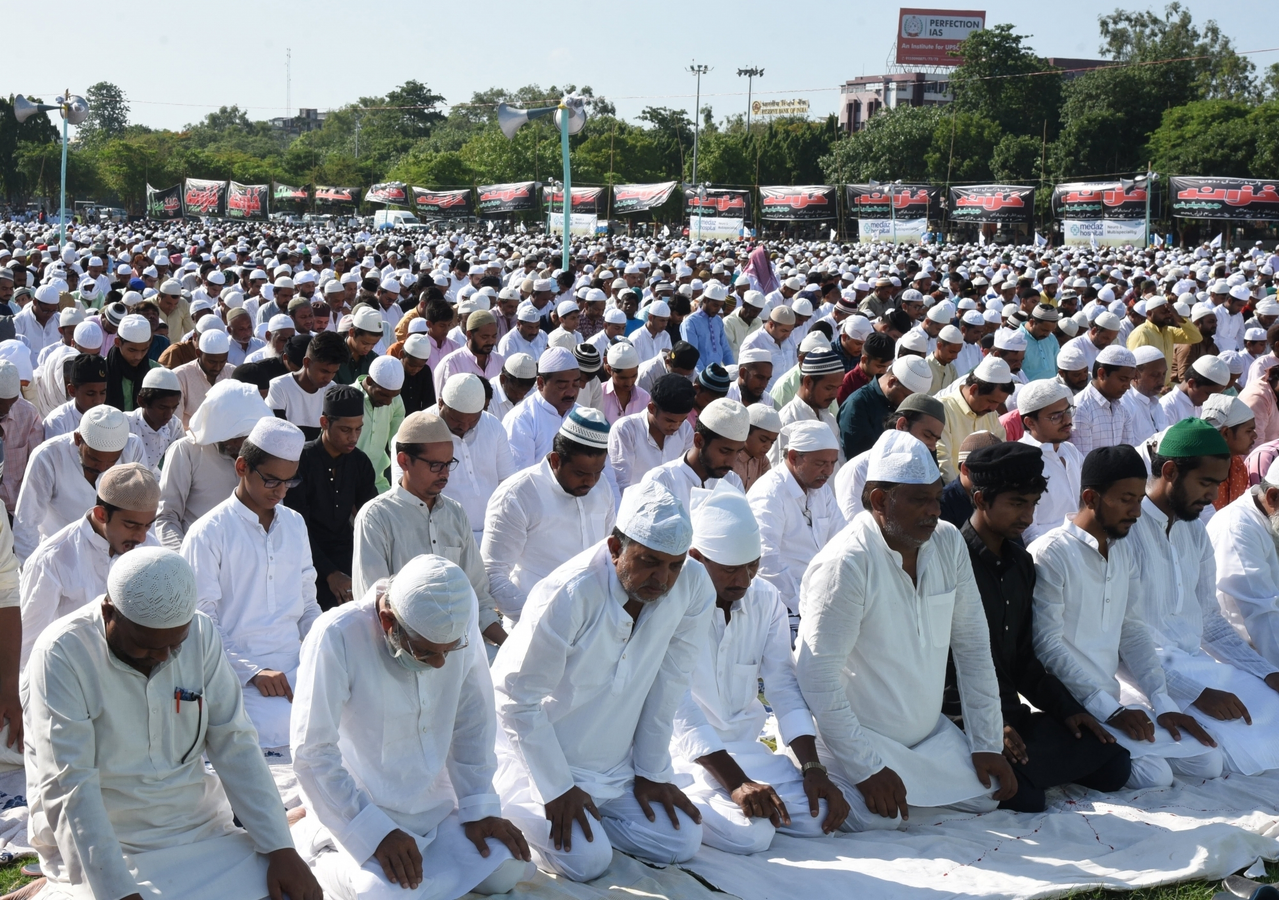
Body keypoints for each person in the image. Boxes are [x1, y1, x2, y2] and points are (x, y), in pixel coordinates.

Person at [21, 547, 322, 900]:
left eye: (174, 645)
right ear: (108, 611)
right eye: (147, 646)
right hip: (107, 836)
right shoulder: (62, 653)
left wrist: (281, 848)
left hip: (196, 827)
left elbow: (235, 743)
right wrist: (117, 892)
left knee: (285, 889)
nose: (164, 657)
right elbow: (70, 785)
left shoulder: (200, 633)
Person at [491, 479, 712, 882]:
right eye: (648, 561)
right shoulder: (570, 593)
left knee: (683, 840)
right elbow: (514, 699)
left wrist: (650, 772)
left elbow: (670, 684)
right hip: (541, 765)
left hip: (616, 770)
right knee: (589, 862)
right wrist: (557, 788)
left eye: (673, 565)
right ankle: (515, 806)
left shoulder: (693, 585)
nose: (662, 579)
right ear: (615, 549)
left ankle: (593, 823)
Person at [795, 430, 1016, 831]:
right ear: (880, 500)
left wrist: (986, 743)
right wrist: (866, 769)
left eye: (936, 497)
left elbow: (972, 648)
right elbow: (817, 677)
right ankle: (856, 783)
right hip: (859, 739)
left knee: (987, 797)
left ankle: (908, 794)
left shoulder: (948, 542)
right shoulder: (846, 562)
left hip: (928, 738)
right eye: (920, 500)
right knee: (877, 819)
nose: (934, 510)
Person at [290, 557, 534, 900]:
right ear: (389, 620)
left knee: (505, 869)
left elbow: (472, 722)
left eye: (448, 652)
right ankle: (313, 848)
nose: (439, 664)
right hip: (357, 811)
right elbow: (312, 753)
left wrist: (479, 809)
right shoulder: (337, 635)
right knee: (386, 895)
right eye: (425, 652)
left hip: (432, 811)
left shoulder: (456, 626)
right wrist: (374, 833)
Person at [1029, 444, 1224, 788]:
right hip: (1068, 705)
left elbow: (1132, 631)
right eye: (1125, 500)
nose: (1136, 512)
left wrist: (1162, 702)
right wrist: (1110, 709)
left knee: (1207, 760)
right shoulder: (1050, 553)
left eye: (1138, 499)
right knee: (1155, 775)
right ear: (1091, 498)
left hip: (1111, 699)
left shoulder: (1121, 552)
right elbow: (1047, 646)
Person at [951, 443, 1132, 812]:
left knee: (1113, 763)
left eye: (1033, 503)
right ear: (982, 499)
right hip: (962, 719)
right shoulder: (950, 560)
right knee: (1027, 797)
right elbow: (938, 663)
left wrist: (1068, 709)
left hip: (1012, 717)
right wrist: (988, 726)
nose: (1028, 516)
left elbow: (1022, 657)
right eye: (1017, 503)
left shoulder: (1020, 562)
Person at [672, 484, 850, 853]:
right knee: (751, 835)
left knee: (821, 819)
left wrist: (812, 768)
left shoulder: (765, 598)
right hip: (683, 756)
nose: (743, 579)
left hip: (745, 750)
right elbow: (676, 704)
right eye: (730, 570)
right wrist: (736, 783)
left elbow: (782, 685)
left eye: (752, 566)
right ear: (696, 557)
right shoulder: (672, 605)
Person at [1126, 419, 1279, 777]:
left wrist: (1266, 671)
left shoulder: (1193, 529)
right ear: (1170, 471)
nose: (1213, 495)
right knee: (1217, 756)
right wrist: (1196, 693)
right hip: (1141, 674)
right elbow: (1124, 640)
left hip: (1196, 663)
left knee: (1271, 706)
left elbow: (1209, 619)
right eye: (1206, 482)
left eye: (1218, 483)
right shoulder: (1126, 530)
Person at [181, 417, 320, 749]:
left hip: (297, 668)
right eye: (272, 481)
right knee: (274, 731)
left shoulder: (294, 524)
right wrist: (252, 671)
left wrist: (323, 655)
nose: (282, 492)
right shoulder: (208, 532)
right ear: (242, 467)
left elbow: (308, 605)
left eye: (290, 482)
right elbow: (202, 621)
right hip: (236, 674)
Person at [352, 410, 505, 648]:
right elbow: (373, 606)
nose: (445, 474)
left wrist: (510, 646)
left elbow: (478, 599)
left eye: (449, 464)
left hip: (460, 651)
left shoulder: (455, 514)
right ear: (404, 461)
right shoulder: (376, 517)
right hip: (400, 655)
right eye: (435, 465)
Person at [18, 462, 161, 668]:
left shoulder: (150, 550)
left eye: (148, 525)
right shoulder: (53, 560)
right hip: (70, 677)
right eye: (131, 525)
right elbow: (27, 648)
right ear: (102, 514)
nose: (141, 536)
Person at [483, 408, 616, 624]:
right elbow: (493, 574)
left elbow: (609, 556)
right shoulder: (518, 495)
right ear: (555, 460)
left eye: (598, 472)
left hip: (591, 623)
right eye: (581, 473)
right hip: (532, 625)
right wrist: (542, 620)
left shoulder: (602, 488)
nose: (591, 482)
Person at [749, 421, 846, 639]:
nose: (828, 471)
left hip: (819, 601)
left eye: (832, 463)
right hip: (782, 607)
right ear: (793, 457)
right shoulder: (769, 493)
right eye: (821, 463)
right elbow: (765, 562)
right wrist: (805, 603)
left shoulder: (821, 491)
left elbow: (843, 541)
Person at [284, 385, 378, 611]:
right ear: (324, 423)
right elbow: (297, 527)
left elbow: (373, 517)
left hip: (349, 560)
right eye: (346, 430)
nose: (354, 437)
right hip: (305, 561)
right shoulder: (301, 461)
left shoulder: (360, 462)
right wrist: (329, 573)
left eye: (358, 429)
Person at [14, 405, 146, 561]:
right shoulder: (48, 457)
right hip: (59, 558)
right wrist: (31, 568)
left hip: (115, 558)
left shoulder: (133, 447)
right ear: (78, 439)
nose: (102, 467)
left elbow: (143, 509)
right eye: (95, 459)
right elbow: (26, 524)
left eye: (111, 461)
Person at [156, 380, 272, 550]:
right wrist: (185, 564)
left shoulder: (264, 453)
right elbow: (166, 518)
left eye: (245, 435)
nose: (239, 441)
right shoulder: (186, 451)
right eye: (233, 434)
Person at [431, 373, 516, 545]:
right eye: (456, 420)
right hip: (444, 538)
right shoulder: (420, 431)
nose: (464, 427)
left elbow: (508, 484)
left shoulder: (493, 426)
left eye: (472, 421)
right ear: (441, 403)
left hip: (492, 534)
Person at [834, 393, 946, 520]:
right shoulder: (858, 470)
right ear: (902, 425)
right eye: (927, 435)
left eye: (936, 440)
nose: (932, 447)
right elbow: (854, 527)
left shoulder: (926, 472)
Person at [642, 397, 748, 512]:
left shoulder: (732, 482)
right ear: (699, 441)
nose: (731, 463)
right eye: (725, 451)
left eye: (738, 452)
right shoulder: (661, 481)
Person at [1017, 380, 1083, 544]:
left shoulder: (1070, 451)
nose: (1067, 420)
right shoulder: (1021, 461)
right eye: (1056, 416)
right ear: (1030, 422)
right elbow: (1028, 531)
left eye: (1068, 411)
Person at [608, 374, 696, 492]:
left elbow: (687, 475)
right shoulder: (625, 430)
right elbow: (620, 483)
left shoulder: (685, 429)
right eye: (669, 420)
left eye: (682, 420)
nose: (676, 426)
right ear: (652, 408)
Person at [838, 356, 934, 461]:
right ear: (892, 382)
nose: (910, 404)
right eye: (906, 397)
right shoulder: (857, 406)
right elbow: (859, 460)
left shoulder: (905, 404)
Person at [504, 347, 582, 470]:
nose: (571, 392)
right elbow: (522, 477)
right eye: (562, 385)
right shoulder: (521, 420)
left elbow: (606, 474)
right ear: (540, 383)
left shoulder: (583, 416)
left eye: (576, 384)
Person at [267, 330, 347, 441]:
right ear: (306, 362)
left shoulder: (331, 389)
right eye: (324, 371)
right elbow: (278, 435)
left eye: (334, 372)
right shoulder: (279, 387)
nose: (328, 378)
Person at [775, 348, 846, 465]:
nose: (835, 395)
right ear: (808, 382)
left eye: (837, 388)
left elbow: (839, 464)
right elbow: (778, 473)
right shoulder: (786, 421)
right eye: (829, 388)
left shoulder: (830, 420)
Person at [1070, 345, 1138, 455]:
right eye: (1123, 379)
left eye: (1130, 380)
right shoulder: (1081, 408)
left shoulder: (1122, 409)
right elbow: (1082, 462)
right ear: (1101, 374)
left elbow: (1128, 456)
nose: (1128, 386)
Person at [353, 355, 406, 492]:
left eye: (393, 396)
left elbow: (396, 444)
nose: (388, 402)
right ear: (370, 381)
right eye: (384, 395)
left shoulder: (395, 400)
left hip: (378, 484)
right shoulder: (347, 398)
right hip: (346, 484)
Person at [0, 359, 45, 518]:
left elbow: (37, 469)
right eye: (0, 404)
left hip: (20, 510)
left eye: (11, 404)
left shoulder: (28, 414)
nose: (6, 410)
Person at [1127, 295, 1202, 384]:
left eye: (1169, 312)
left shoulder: (1169, 331)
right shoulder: (1141, 333)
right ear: (1149, 313)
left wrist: (1178, 317)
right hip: (1146, 388)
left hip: (1163, 386)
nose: (1168, 315)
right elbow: (1136, 366)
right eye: (1163, 312)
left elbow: (1196, 337)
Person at [1202, 394, 1258, 509]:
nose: (1255, 436)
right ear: (1226, 433)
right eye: (1249, 431)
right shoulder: (1200, 468)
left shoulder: (1237, 464)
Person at [434, 309, 505, 398]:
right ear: (469, 335)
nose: (491, 341)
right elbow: (444, 405)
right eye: (485, 337)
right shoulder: (451, 364)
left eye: (494, 336)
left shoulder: (499, 360)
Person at [172, 328, 233, 430]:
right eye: (212, 362)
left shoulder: (232, 372)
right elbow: (175, 422)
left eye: (222, 361)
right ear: (198, 353)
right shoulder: (180, 376)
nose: (217, 367)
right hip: (191, 440)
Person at [127, 366, 185, 470]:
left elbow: (179, 462)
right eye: (162, 407)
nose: (169, 415)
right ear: (142, 401)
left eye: (174, 408)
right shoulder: (126, 424)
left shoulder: (174, 425)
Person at [42, 352, 108, 440]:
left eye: (102, 393)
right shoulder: (57, 422)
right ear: (72, 391)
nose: (98, 400)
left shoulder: (110, 417)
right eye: (91, 394)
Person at [105, 313, 160, 412]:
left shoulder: (156, 372)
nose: (138, 357)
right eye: (132, 350)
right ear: (118, 342)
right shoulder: (103, 370)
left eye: (144, 350)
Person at [1159, 354, 1229, 425]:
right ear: (1191, 383)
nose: (1211, 400)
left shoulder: (1201, 405)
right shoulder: (1167, 407)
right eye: (1208, 394)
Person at [1122, 345, 1170, 446]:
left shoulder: (1157, 404)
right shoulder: (1124, 405)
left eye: (1164, 374)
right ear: (1135, 375)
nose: (1161, 380)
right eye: (1155, 374)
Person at [681, 280, 733, 370]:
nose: (718, 309)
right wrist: (704, 378)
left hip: (716, 373)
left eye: (721, 306)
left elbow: (725, 349)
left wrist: (733, 370)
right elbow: (692, 356)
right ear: (705, 300)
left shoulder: (718, 320)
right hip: (698, 376)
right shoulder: (690, 322)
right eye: (715, 305)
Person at [733, 403, 782, 493]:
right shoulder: (731, 458)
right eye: (763, 439)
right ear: (746, 431)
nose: (768, 446)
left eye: (772, 442)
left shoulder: (763, 461)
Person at [602, 341, 649, 425]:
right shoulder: (599, 394)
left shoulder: (644, 398)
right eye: (623, 378)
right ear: (609, 369)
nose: (629, 383)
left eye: (634, 376)